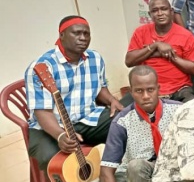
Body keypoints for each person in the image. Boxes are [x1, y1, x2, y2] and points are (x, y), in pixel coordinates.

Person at [66, 66, 182, 182]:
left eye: (150, 90)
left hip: (170, 171)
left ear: (158, 88)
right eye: (139, 91)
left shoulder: (178, 110)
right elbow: (106, 172)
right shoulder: (122, 121)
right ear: (130, 92)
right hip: (131, 176)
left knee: (137, 167)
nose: (146, 96)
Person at [25, 15, 131, 171]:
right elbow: (42, 111)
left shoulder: (94, 58)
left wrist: (111, 100)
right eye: (77, 33)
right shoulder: (42, 67)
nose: (83, 38)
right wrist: (60, 135)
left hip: (88, 119)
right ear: (61, 35)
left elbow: (99, 87)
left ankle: (120, 175)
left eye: (86, 34)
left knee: (129, 120)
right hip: (51, 127)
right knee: (56, 163)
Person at [126, 0, 194, 102]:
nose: (160, 13)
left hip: (180, 89)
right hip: (147, 89)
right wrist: (154, 46)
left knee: (193, 110)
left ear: (171, 11)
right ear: (150, 14)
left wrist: (167, 54)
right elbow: (129, 61)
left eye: (164, 9)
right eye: (155, 10)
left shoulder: (186, 35)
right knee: (120, 112)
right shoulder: (140, 32)